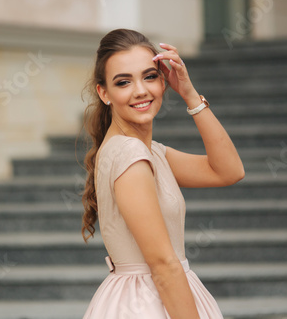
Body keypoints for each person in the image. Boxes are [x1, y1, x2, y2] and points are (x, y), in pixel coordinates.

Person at [80, 28, 244, 319]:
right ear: (103, 93)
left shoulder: (150, 152)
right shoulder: (130, 155)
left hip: (149, 295)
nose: (141, 90)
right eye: (123, 82)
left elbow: (228, 171)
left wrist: (190, 94)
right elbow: (164, 265)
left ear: (163, 81)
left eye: (150, 76)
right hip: (146, 304)